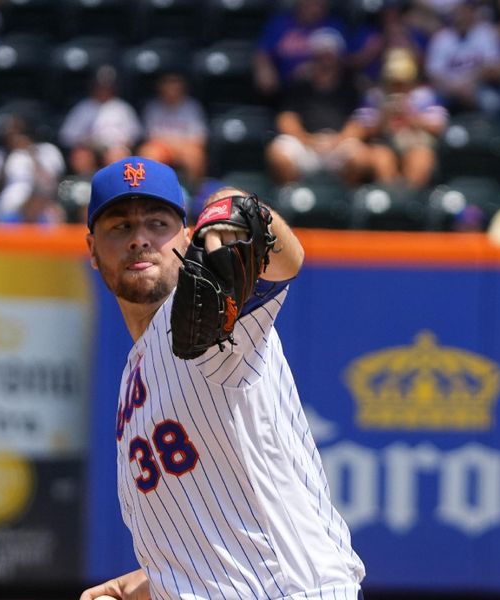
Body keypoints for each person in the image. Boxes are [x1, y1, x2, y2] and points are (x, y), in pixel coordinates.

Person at [80, 156, 366, 599]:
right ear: (92, 250)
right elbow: (209, 538)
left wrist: (237, 208)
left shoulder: (211, 316)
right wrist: (138, 585)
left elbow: (285, 261)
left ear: (187, 236)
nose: (139, 239)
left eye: (158, 223)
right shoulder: (132, 375)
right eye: (119, 227)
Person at [265, 28, 364, 186]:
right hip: (306, 144)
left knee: (359, 156)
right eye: (320, 57)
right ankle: (293, 196)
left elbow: (360, 122)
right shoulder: (299, 84)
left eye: (330, 56)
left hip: (337, 144)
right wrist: (307, 140)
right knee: (277, 152)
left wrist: (337, 140)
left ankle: (346, 200)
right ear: (312, 58)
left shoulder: (351, 87)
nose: (326, 62)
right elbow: (286, 119)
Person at [348, 48, 449, 190]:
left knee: (421, 158)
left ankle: (409, 202)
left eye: (403, 81)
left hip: (416, 143)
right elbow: (360, 128)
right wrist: (384, 117)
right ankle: (391, 201)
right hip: (383, 144)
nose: (398, 86)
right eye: (393, 81)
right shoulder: (375, 97)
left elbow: (440, 126)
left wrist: (411, 116)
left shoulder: (425, 96)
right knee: (381, 158)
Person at [252, 0, 348, 102]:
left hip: (321, 92)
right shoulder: (279, 23)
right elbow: (262, 53)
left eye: (319, 4)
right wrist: (264, 69)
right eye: (310, 4)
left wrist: (313, 68)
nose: (314, 7)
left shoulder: (334, 25)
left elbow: (343, 61)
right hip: (284, 89)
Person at [59, 65, 142, 177]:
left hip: (114, 147)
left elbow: (135, 136)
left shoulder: (122, 108)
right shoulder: (83, 107)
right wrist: (86, 143)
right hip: (89, 147)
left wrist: (118, 145)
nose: (103, 89)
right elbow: (66, 136)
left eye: (107, 86)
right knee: (81, 157)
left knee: (118, 156)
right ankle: (86, 187)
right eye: (100, 85)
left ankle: (116, 188)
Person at [425, 0, 500, 114]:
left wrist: (471, 82)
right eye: (459, 13)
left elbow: (496, 67)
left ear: (472, 13)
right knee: (430, 104)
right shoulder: (442, 37)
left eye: (466, 12)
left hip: (478, 87)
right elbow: (433, 74)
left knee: (492, 102)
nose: (462, 17)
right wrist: (456, 89)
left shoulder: (485, 33)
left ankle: (489, 131)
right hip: (448, 89)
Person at [138, 71, 208, 190]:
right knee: (148, 152)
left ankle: (194, 194)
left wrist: (176, 147)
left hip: (185, 148)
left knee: (195, 155)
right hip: (162, 148)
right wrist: (171, 146)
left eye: (175, 83)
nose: (171, 88)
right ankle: (151, 191)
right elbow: (150, 137)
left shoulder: (192, 107)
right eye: (167, 84)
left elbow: (199, 138)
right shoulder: (153, 107)